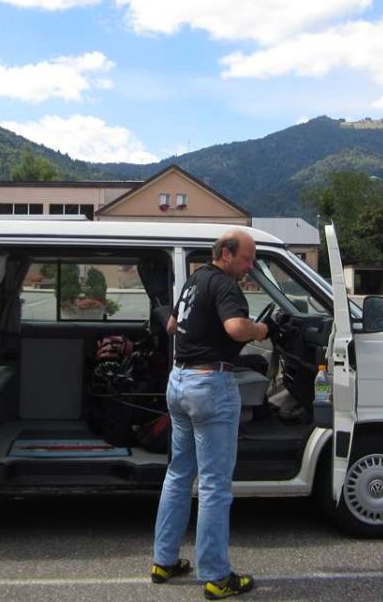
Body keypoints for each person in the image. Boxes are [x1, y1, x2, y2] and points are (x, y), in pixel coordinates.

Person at [151, 229, 270, 599]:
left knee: (178, 474)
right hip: (209, 387)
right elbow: (236, 328)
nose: (250, 266)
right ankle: (217, 576)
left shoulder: (194, 281)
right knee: (215, 485)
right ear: (227, 254)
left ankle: (164, 561)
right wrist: (261, 330)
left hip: (179, 383)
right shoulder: (224, 285)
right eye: (247, 259)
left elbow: (172, 325)